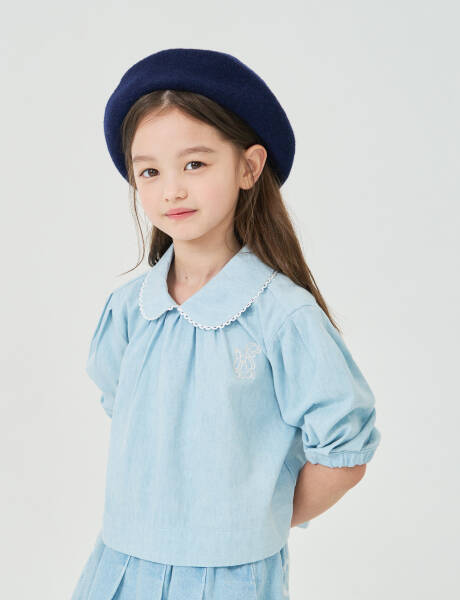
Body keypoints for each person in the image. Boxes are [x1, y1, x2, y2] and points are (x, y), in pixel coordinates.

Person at [70, 48, 382, 600]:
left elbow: (343, 450)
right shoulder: (130, 309)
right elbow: (126, 405)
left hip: (230, 579)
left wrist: (252, 519)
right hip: (119, 568)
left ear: (248, 167)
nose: (172, 190)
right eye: (150, 171)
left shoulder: (281, 317)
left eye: (195, 164)